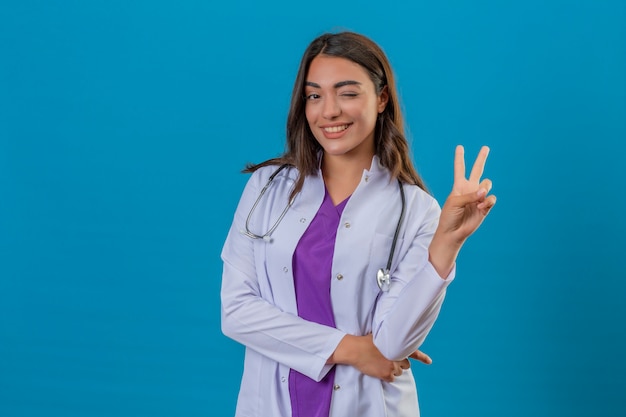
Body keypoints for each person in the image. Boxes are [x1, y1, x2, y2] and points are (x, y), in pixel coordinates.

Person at [220, 31, 496, 417]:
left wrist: (446, 247)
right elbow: (236, 312)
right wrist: (355, 349)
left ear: (382, 98)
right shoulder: (267, 189)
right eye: (315, 95)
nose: (328, 111)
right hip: (271, 402)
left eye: (347, 93)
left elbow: (393, 345)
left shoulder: (416, 210)